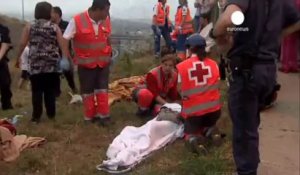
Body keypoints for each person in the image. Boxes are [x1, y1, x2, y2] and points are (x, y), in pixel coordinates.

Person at [212, 0, 300, 174]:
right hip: (267, 71)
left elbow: (228, 20)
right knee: (250, 123)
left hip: (247, 72)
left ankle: (247, 170)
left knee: (244, 132)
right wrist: (277, 36)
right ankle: (251, 162)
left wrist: (217, 32)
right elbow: (297, 21)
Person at [15, 1, 68, 123]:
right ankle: (51, 115)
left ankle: (36, 117)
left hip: (36, 65)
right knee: (50, 91)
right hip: (52, 65)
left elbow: (23, 43)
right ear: (49, 13)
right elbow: (62, 43)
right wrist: (64, 58)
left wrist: (18, 57)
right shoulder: (55, 27)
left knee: (37, 91)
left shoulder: (30, 26)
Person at [62, 0, 112, 126]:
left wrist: (110, 54)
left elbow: (108, 38)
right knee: (87, 92)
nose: (108, 13)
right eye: (106, 10)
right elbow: (65, 38)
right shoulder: (77, 20)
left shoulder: (106, 20)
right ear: (98, 10)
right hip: (85, 64)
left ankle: (104, 116)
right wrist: (65, 57)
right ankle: (89, 117)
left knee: (102, 90)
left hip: (103, 63)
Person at [176, 34, 222, 154]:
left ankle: (193, 140)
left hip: (194, 113)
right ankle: (210, 131)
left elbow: (179, 90)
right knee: (206, 123)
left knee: (189, 131)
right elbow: (217, 86)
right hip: (214, 110)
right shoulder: (213, 64)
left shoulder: (183, 66)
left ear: (189, 49)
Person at [132, 48, 179, 117]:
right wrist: (167, 104)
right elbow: (154, 94)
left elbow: (173, 93)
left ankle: (153, 109)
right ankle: (142, 110)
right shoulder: (153, 74)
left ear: (173, 66)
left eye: (170, 65)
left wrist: (176, 103)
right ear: (161, 64)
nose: (167, 67)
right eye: (165, 65)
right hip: (146, 94)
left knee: (160, 111)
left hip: (160, 97)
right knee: (145, 94)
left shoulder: (174, 75)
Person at [51, 6, 78, 96]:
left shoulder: (66, 25)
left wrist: (73, 51)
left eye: (52, 13)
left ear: (57, 14)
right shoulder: (50, 26)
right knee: (55, 75)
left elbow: (73, 38)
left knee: (68, 74)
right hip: (53, 55)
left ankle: (74, 89)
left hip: (66, 54)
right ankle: (56, 93)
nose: (50, 15)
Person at [0, 24, 13, 110]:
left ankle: (6, 104)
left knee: (5, 83)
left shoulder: (3, 29)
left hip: (1, 62)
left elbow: (5, 44)